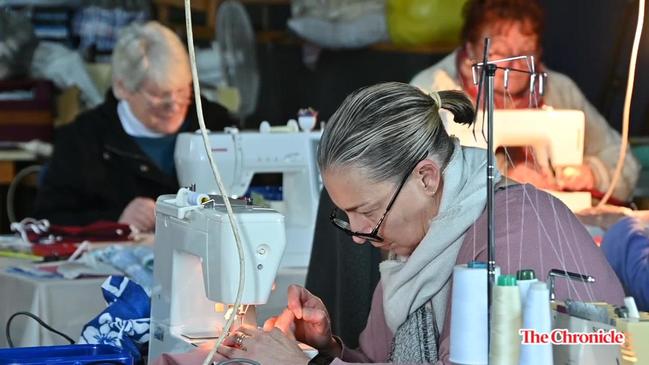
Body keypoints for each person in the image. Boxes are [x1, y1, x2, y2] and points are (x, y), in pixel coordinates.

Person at [199, 82, 623, 365]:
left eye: (368, 211)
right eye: (346, 216)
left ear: (426, 177)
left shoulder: (513, 238)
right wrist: (326, 348)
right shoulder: (418, 252)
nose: (360, 235)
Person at [410, 0, 639, 203]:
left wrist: (593, 174)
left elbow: (622, 160)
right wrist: (503, 180)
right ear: (470, 49)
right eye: (499, 53)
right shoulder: (432, 93)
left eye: (526, 52)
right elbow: (418, 181)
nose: (514, 66)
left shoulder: (558, 90)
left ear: (538, 51)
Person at [33, 21, 235, 232]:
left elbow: (257, 199)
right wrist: (115, 220)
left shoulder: (217, 123)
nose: (174, 105)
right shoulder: (83, 140)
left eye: (183, 90)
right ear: (122, 88)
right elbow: (47, 220)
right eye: (159, 95)